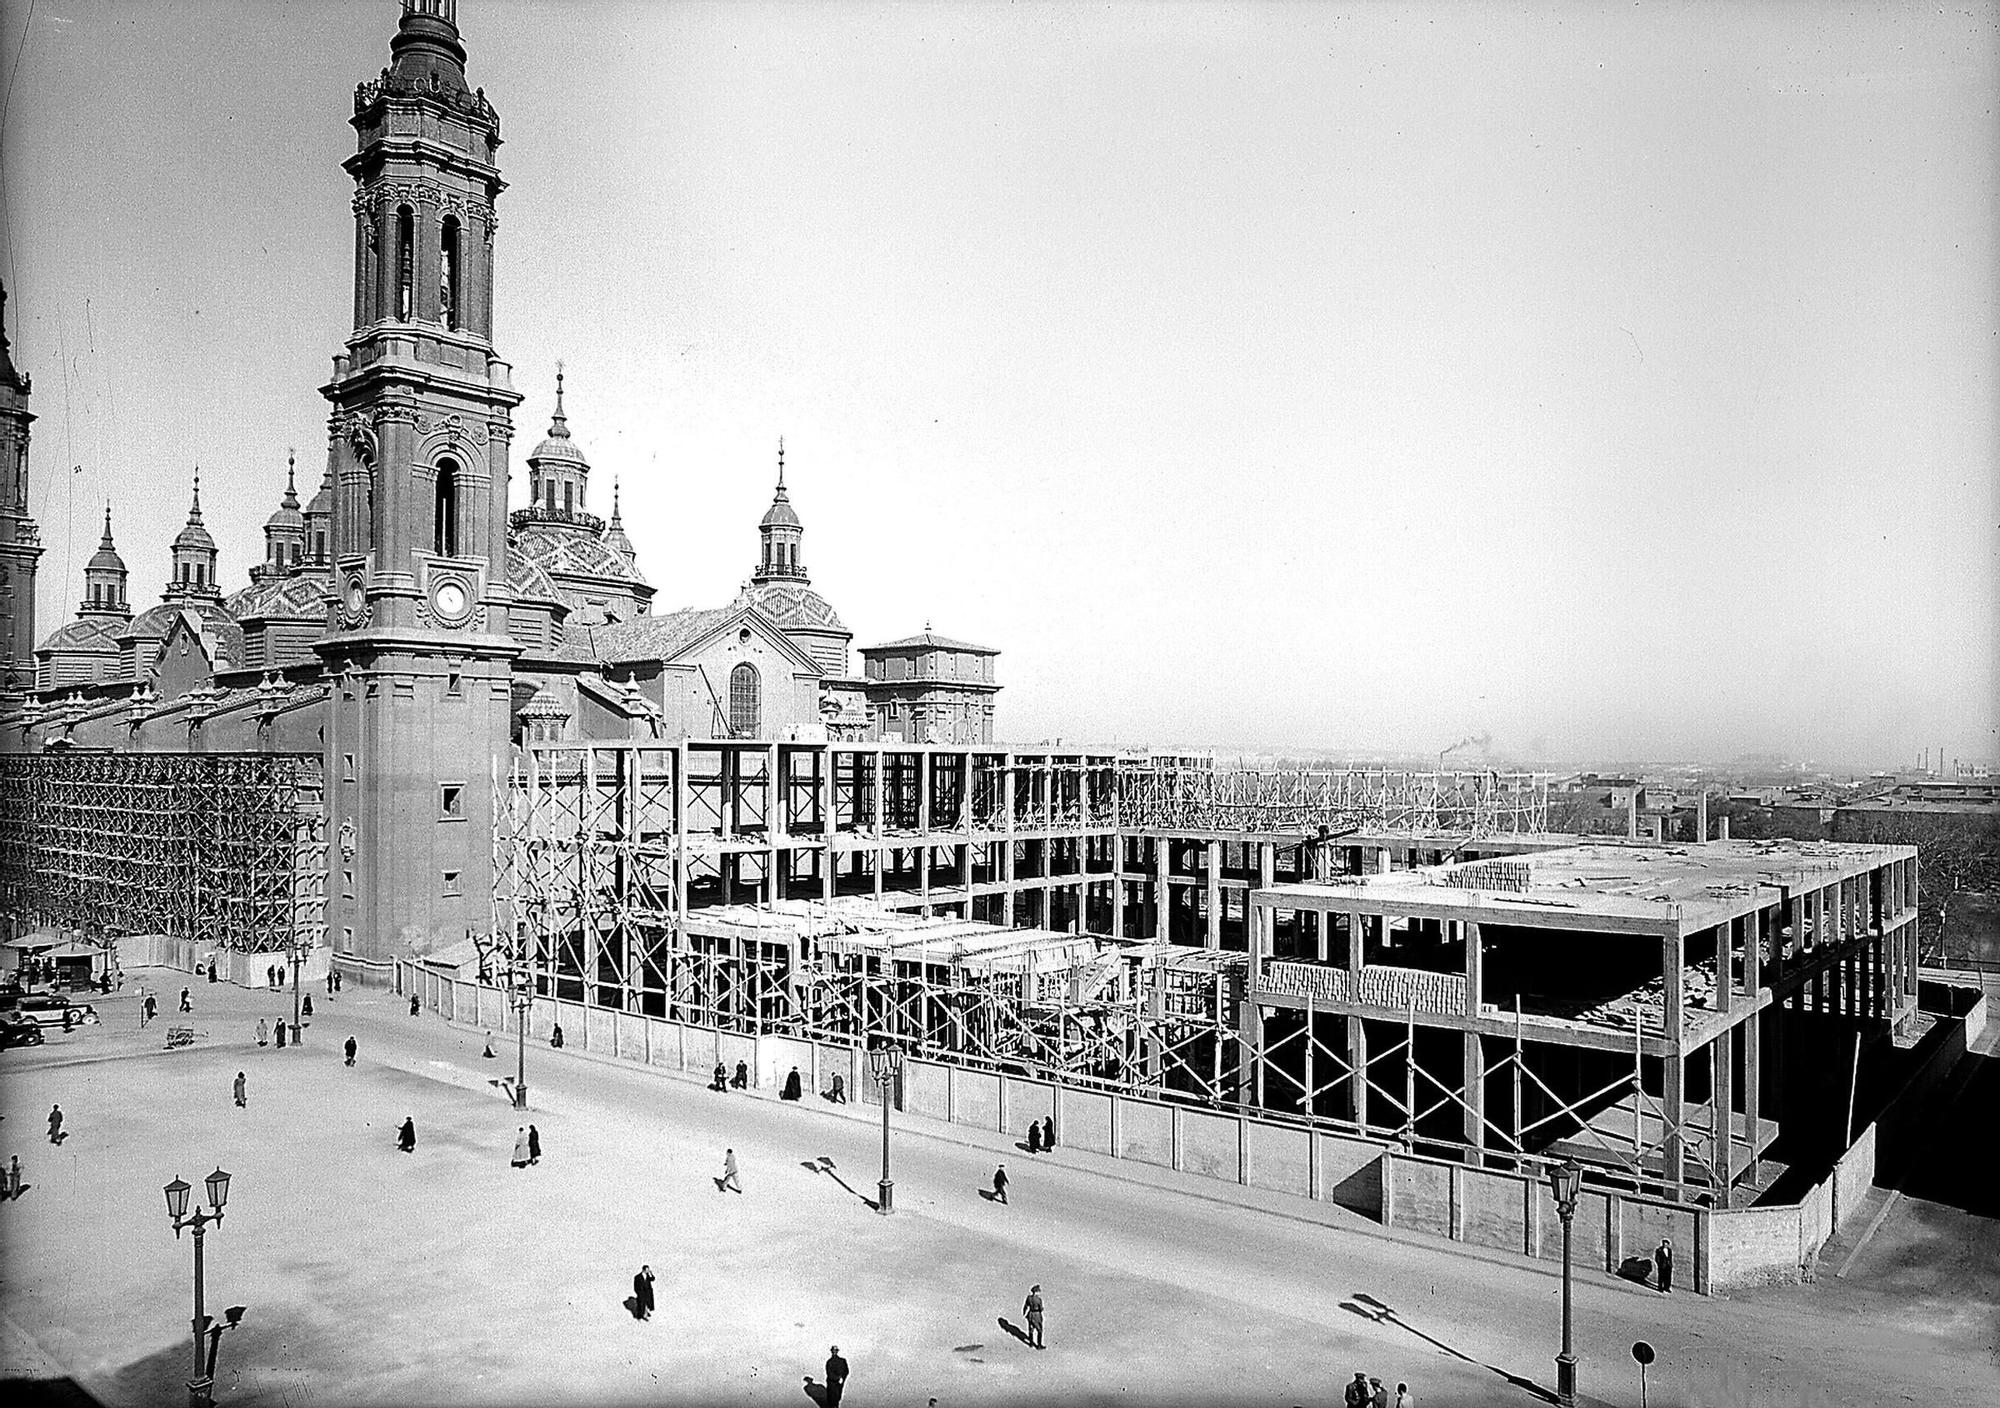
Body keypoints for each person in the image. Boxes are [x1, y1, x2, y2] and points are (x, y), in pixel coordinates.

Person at [1022, 1284, 1045, 1349]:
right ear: (1036, 1292)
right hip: (1036, 1315)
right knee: (1039, 1330)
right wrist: (1042, 1309)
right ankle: (1039, 1345)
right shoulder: (1039, 1299)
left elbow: (1025, 1306)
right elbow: (1040, 1308)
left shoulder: (1029, 1298)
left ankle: (1031, 1343)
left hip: (1030, 1314)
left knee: (1031, 1329)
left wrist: (1024, 1312)